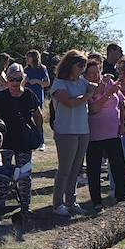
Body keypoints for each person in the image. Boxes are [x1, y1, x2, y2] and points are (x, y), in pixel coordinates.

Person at [0, 61, 42, 204]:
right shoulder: (0, 97)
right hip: (4, 142)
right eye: (12, 79)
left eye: (18, 79)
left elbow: (38, 115)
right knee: (3, 175)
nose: (15, 82)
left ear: (22, 79)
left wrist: (38, 131)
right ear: (7, 79)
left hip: (24, 141)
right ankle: (0, 204)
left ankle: (25, 206)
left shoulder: (29, 95)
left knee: (24, 175)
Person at [50, 50, 91, 215]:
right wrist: (89, 94)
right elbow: (70, 102)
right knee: (65, 169)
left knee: (76, 169)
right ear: (69, 64)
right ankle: (58, 204)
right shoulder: (59, 84)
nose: (82, 68)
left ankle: (71, 201)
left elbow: (96, 87)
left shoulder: (83, 82)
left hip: (83, 130)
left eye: (84, 65)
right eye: (79, 64)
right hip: (66, 131)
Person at [84, 58, 125, 207]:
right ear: (85, 75)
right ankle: (96, 201)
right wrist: (107, 94)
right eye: (91, 73)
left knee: (119, 166)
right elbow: (93, 110)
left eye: (98, 72)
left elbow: (122, 103)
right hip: (94, 135)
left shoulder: (110, 82)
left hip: (113, 132)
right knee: (94, 169)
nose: (96, 76)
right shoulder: (86, 88)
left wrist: (123, 122)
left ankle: (121, 196)